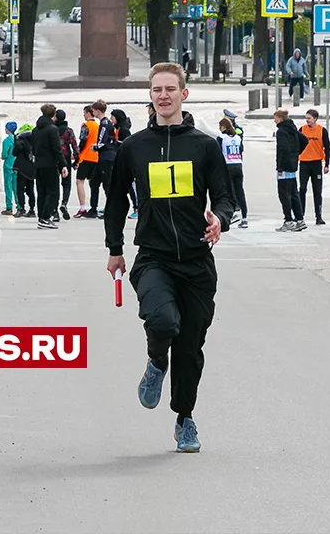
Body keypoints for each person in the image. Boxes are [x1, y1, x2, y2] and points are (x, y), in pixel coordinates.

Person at [105, 62, 235, 454]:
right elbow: (114, 203)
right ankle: (155, 362)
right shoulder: (134, 147)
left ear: (184, 94)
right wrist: (115, 249)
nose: (163, 95)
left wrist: (220, 221)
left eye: (170, 89)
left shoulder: (204, 145)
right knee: (162, 320)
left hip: (196, 262)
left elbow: (225, 196)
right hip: (153, 258)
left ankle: (185, 419)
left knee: (192, 347)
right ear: (150, 96)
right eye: (157, 89)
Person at [32, 104, 67, 229]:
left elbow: (33, 146)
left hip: (38, 164)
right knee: (53, 192)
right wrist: (63, 164)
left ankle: (41, 216)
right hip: (50, 164)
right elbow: (56, 149)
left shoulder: (36, 129)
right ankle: (46, 217)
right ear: (54, 115)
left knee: (41, 192)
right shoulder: (52, 129)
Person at [274, 109, 307, 232]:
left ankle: (288, 220)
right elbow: (305, 140)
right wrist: (296, 154)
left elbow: (283, 149)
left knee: (284, 195)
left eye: (275, 118)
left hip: (285, 167)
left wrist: (280, 167)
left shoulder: (281, 132)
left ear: (280, 118)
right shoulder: (293, 129)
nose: (274, 121)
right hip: (293, 166)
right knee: (294, 194)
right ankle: (299, 219)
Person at [298, 109, 330, 226]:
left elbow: (327, 147)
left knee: (317, 191)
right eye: (306, 118)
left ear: (315, 119)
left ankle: (319, 216)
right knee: (302, 189)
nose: (307, 120)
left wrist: (327, 164)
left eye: (309, 118)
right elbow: (296, 144)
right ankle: (300, 216)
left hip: (316, 163)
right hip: (304, 163)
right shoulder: (302, 130)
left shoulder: (322, 130)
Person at [217, 117, 249, 228]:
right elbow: (241, 150)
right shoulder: (237, 137)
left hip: (227, 165)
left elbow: (218, 153)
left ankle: (232, 213)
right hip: (238, 164)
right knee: (240, 190)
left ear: (223, 127)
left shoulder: (221, 138)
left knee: (227, 191)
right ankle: (244, 217)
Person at [89, 99, 117, 216]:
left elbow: (102, 140)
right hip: (104, 157)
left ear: (98, 111)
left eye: (94, 110)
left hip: (106, 157)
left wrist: (95, 147)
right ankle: (93, 208)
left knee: (106, 184)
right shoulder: (106, 123)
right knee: (94, 182)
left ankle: (110, 209)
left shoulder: (104, 124)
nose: (93, 113)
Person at [110, 108, 138, 219]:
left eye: (112, 117)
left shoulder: (124, 130)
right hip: (120, 159)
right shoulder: (118, 129)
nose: (111, 119)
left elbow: (127, 146)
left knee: (132, 186)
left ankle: (137, 208)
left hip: (128, 161)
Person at [74, 105, 100, 218]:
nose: (84, 115)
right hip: (96, 157)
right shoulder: (98, 126)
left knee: (79, 181)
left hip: (85, 156)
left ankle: (82, 206)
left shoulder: (85, 125)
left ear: (88, 113)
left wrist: (77, 155)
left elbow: (83, 140)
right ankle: (94, 206)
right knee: (93, 183)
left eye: (84, 113)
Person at [55, 109, 79, 221]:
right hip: (66, 159)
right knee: (67, 184)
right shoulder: (68, 131)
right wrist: (76, 161)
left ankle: (54, 210)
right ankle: (64, 203)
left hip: (55, 159)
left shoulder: (53, 130)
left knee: (54, 185)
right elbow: (75, 146)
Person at [12, 124, 37, 217]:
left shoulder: (20, 141)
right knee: (31, 190)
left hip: (22, 169)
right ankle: (32, 209)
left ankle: (21, 208)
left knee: (20, 189)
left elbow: (14, 153)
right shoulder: (35, 141)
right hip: (32, 169)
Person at [1, 121, 18, 215]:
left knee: (8, 187)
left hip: (8, 165)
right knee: (16, 187)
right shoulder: (17, 139)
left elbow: (4, 155)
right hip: (16, 165)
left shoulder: (6, 141)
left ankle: (9, 207)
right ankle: (19, 205)